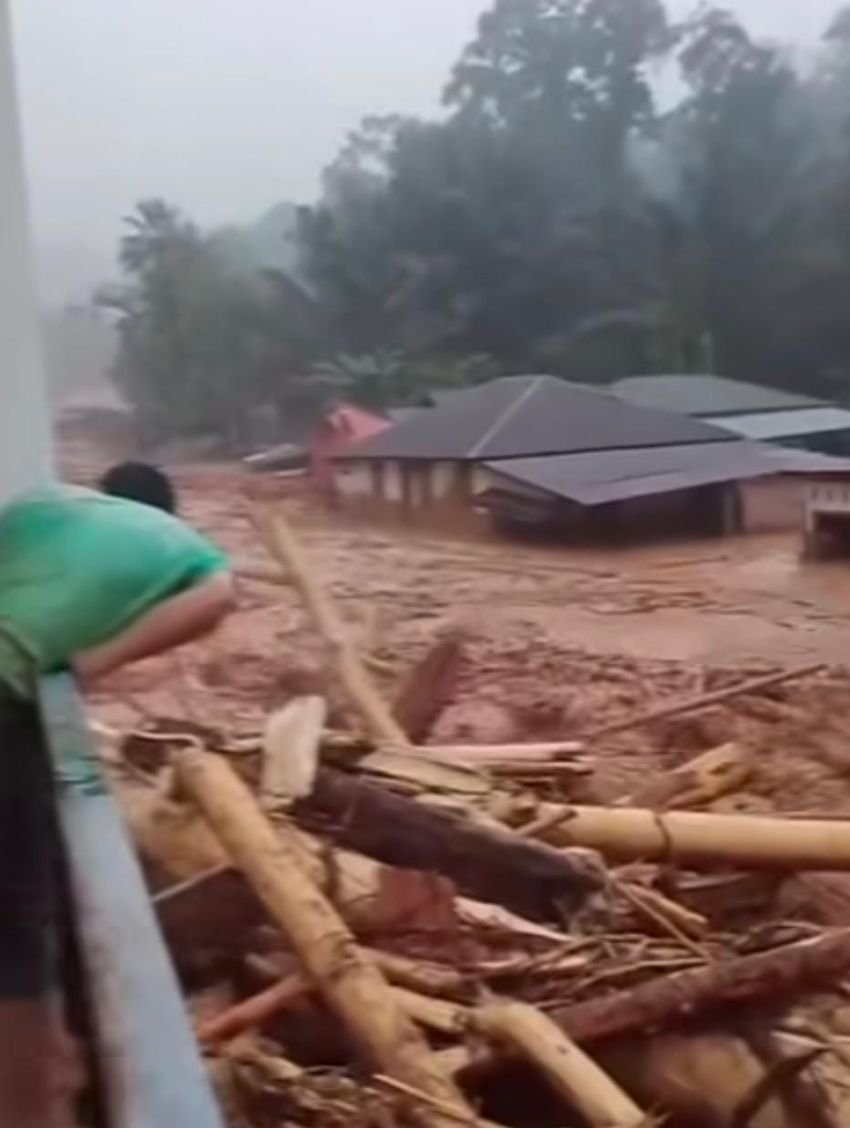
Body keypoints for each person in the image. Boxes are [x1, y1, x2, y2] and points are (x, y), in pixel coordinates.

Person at [0, 461, 234, 1127]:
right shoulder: (183, 545)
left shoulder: (41, 501)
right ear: (167, 510)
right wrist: (90, 664)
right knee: (17, 928)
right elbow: (218, 597)